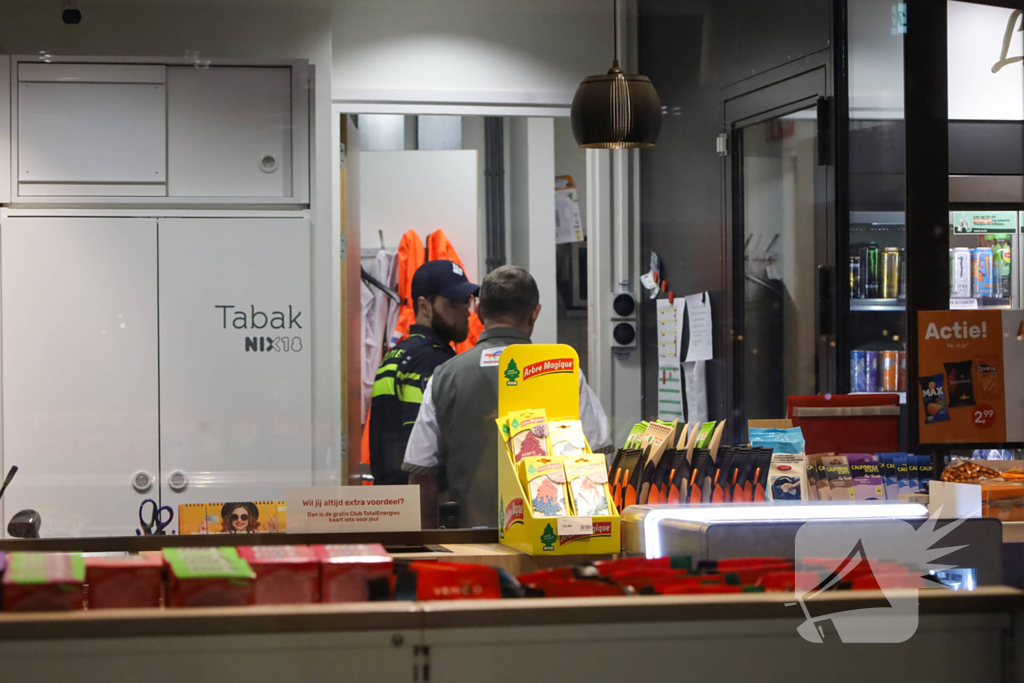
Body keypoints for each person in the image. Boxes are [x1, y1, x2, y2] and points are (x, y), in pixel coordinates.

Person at [402, 265, 611, 528]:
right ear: (535, 313)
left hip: (468, 545)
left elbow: (420, 476)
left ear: (478, 311)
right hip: (546, 542)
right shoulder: (566, 374)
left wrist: (433, 545)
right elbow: (596, 460)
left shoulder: (442, 378)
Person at [368, 259, 479, 485]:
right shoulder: (433, 360)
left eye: (466, 302)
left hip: (391, 502)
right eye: (453, 303)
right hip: (421, 508)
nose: (465, 312)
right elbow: (423, 454)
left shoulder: (396, 354)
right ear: (424, 305)